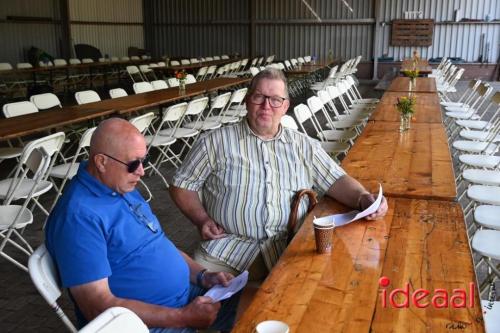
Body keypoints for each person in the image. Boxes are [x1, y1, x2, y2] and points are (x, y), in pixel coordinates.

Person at [169, 68, 388, 280]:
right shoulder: (213, 142)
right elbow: (182, 185)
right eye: (259, 97)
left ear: (285, 106)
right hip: (225, 250)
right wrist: (201, 219)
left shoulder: (304, 145)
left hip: (290, 248)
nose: (266, 106)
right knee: (185, 290)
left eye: (275, 100)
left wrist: (362, 198)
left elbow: (336, 180)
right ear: (247, 101)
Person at [45, 118, 239, 333]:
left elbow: (160, 245)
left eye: (143, 160)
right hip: (150, 324)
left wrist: (204, 276)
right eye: (134, 163)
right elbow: (97, 306)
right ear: (101, 162)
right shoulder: (78, 217)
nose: (142, 171)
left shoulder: (119, 186)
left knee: (254, 302)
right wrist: (183, 317)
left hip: (186, 299)